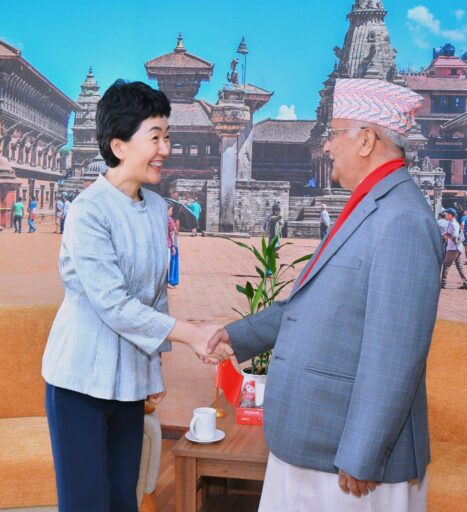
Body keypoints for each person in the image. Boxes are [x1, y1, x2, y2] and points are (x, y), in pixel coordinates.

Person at [207, 78, 439, 511]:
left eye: (334, 133)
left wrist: (364, 451)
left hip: (348, 457)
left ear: (366, 140)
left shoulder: (401, 218)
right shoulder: (368, 204)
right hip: (315, 437)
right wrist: (239, 335)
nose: (327, 145)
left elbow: (396, 352)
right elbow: (312, 302)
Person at [41, 80, 231, 512]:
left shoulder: (158, 209)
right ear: (119, 145)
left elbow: (154, 296)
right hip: (79, 383)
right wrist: (192, 334)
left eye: (168, 137)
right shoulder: (88, 211)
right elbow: (114, 305)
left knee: (122, 500)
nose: (166, 149)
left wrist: (152, 373)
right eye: (156, 137)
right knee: (86, 504)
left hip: (128, 383)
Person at [441, 208, 467, 290]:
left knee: (446, 265)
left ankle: (443, 283)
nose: (445, 215)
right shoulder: (453, 223)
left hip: (453, 248)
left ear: (450, 215)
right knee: (459, 267)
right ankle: (466, 283)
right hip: (457, 248)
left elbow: (455, 236)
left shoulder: (453, 224)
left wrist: (446, 235)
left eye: (446, 214)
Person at [167, 203, 180, 287]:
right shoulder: (170, 220)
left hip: (162, 244)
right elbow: (175, 233)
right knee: (170, 262)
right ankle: (170, 281)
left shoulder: (159, 218)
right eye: (171, 210)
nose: (171, 211)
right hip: (170, 244)